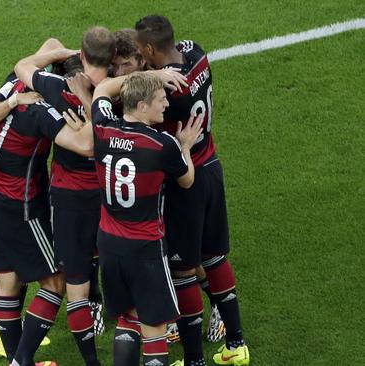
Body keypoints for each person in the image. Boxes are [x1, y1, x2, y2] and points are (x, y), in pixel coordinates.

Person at [136, 14, 250, 366]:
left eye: (142, 52)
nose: (141, 58)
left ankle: (194, 359)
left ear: (151, 48)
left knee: (183, 269)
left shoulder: (170, 92)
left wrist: (143, 76)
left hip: (186, 181)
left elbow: (143, 114)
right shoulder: (196, 53)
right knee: (214, 256)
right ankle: (236, 343)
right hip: (211, 166)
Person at [14, 28, 117, 366]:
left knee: (73, 286)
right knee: (118, 264)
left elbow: (22, 67)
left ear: (83, 56)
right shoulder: (118, 88)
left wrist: (57, 53)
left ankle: (92, 363)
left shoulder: (59, 87)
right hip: (112, 193)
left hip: (71, 199)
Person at [0, 76, 94, 365]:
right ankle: (21, 361)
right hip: (22, 210)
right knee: (55, 282)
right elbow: (86, 145)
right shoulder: (40, 114)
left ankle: (17, 362)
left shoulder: (14, 86)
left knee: (7, 283)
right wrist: (90, 106)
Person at [91, 71, 202, 366]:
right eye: (159, 99)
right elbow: (187, 179)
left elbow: (102, 88)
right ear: (142, 106)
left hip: (109, 243)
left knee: (128, 318)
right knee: (155, 327)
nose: (165, 103)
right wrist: (186, 146)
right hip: (145, 249)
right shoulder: (161, 145)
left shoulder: (102, 128)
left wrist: (148, 75)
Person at [0, 71, 47, 358]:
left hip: (12, 175)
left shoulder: (28, 77)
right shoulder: (24, 85)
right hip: (4, 177)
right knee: (20, 257)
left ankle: (1, 322)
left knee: (12, 261)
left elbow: (49, 46)